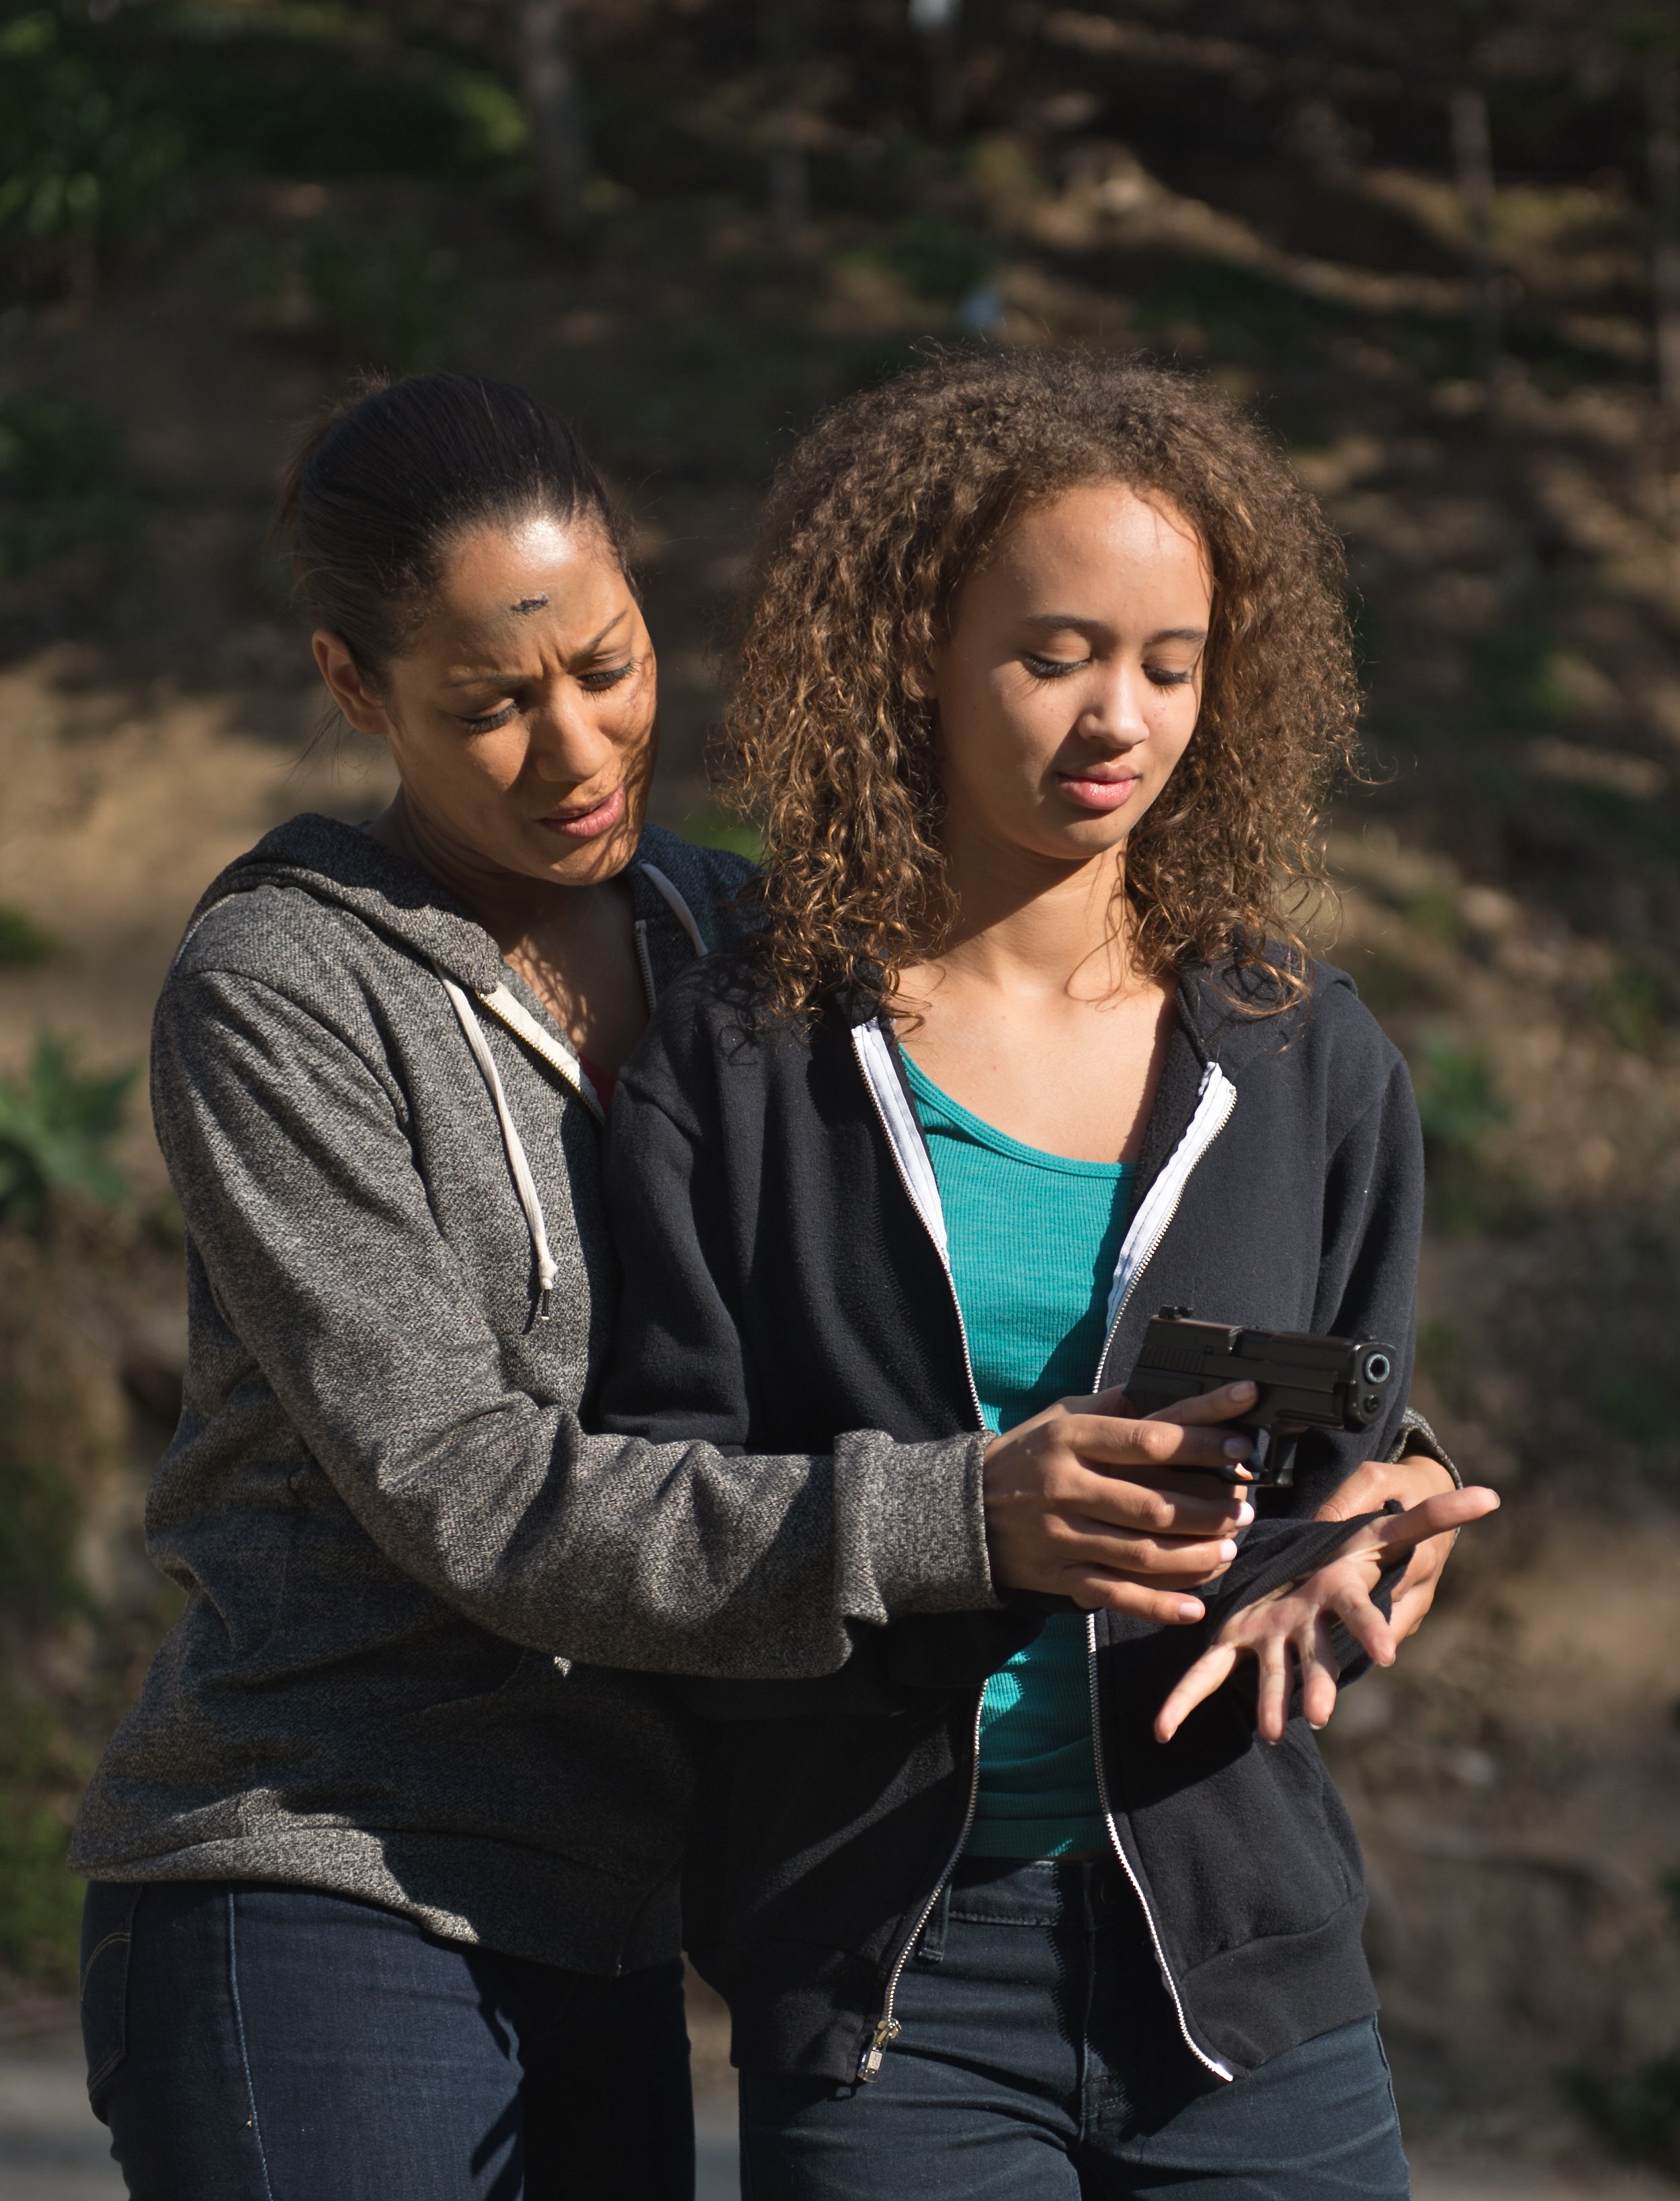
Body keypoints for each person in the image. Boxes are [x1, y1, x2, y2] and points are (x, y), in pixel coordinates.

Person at [68, 370, 1298, 2201]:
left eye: (608, 666)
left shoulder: (742, 940)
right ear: (353, 689)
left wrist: (1349, 1448)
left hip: (624, 1910)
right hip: (326, 1870)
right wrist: (956, 1514)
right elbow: (466, 1487)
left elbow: (1003, 1274)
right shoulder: (285, 990)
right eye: (490, 704)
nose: (573, 750)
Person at [598, 349, 1499, 2198]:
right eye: (1055, 652)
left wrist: (1375, 1526)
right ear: (913, 652)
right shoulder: (744, 1053)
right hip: (881, 1986)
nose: (1120, 717)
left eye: (1170, 666)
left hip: (1243, 1971)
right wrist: (958, 1520)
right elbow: (640, 1517)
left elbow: (1343, 1437)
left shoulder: (1303, 1053)